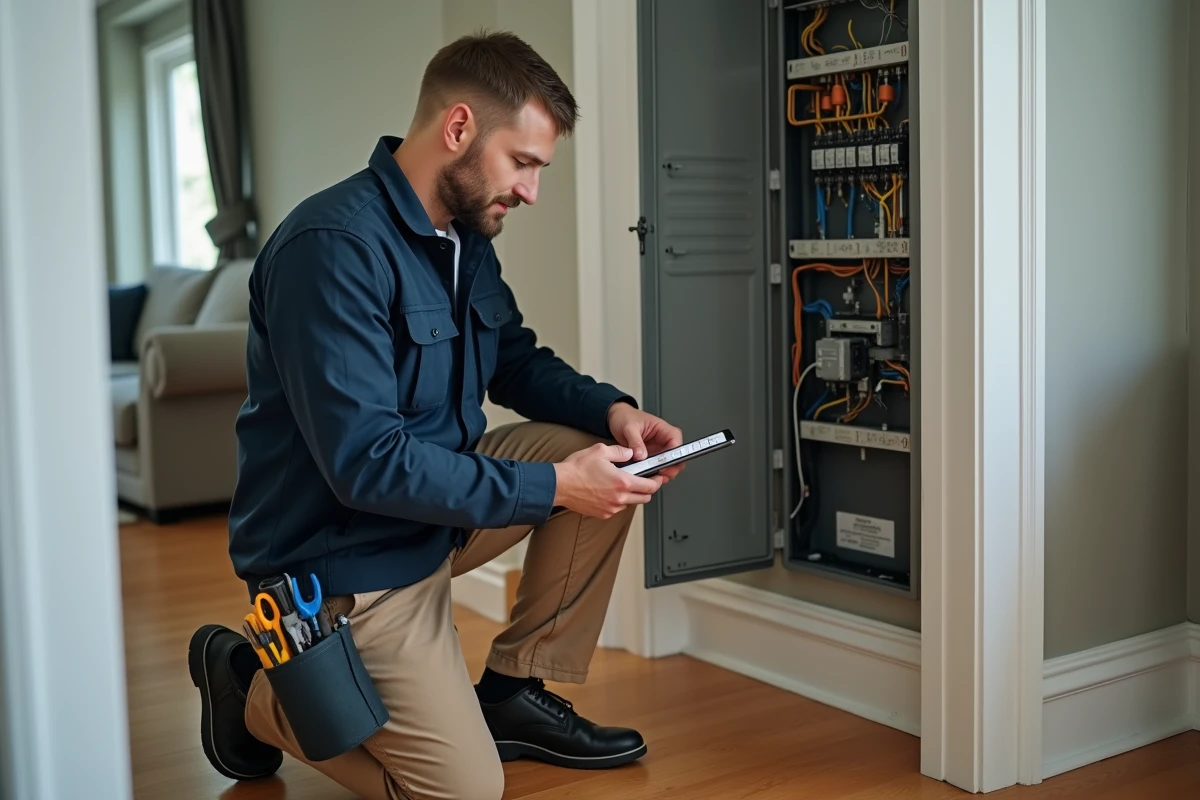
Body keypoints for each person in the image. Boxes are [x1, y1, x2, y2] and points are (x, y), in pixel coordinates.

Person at [187, 29, 686, 800]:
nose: (530, 191)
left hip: (431, 520)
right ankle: (250, 684)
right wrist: (554, 487)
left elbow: (513, 358)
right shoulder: (331, 248)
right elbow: (367, 462)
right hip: (345, 560)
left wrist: (615, 411)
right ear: (458, 129)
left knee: (604, 455)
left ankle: (514, 693)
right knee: (461, 792)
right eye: (522, 163)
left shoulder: (463, 234)